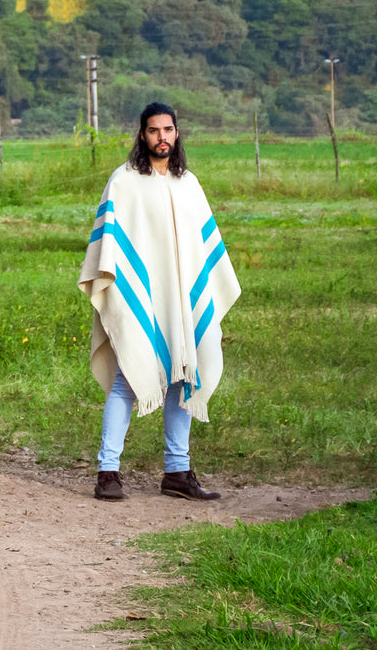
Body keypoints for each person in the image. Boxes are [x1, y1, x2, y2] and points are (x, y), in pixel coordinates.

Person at [77, 102, 240, 502]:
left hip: (182, 299)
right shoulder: (124, 182)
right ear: (142, 135)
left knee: (185, 375)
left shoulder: (189, 184)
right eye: (154, 131)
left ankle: (177, 472)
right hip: (142, 297)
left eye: (168, 130)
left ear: (177, 133)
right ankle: (107, 472)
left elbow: (203, 248)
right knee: (127, 379)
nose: (161, 137)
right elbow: (113, 246)